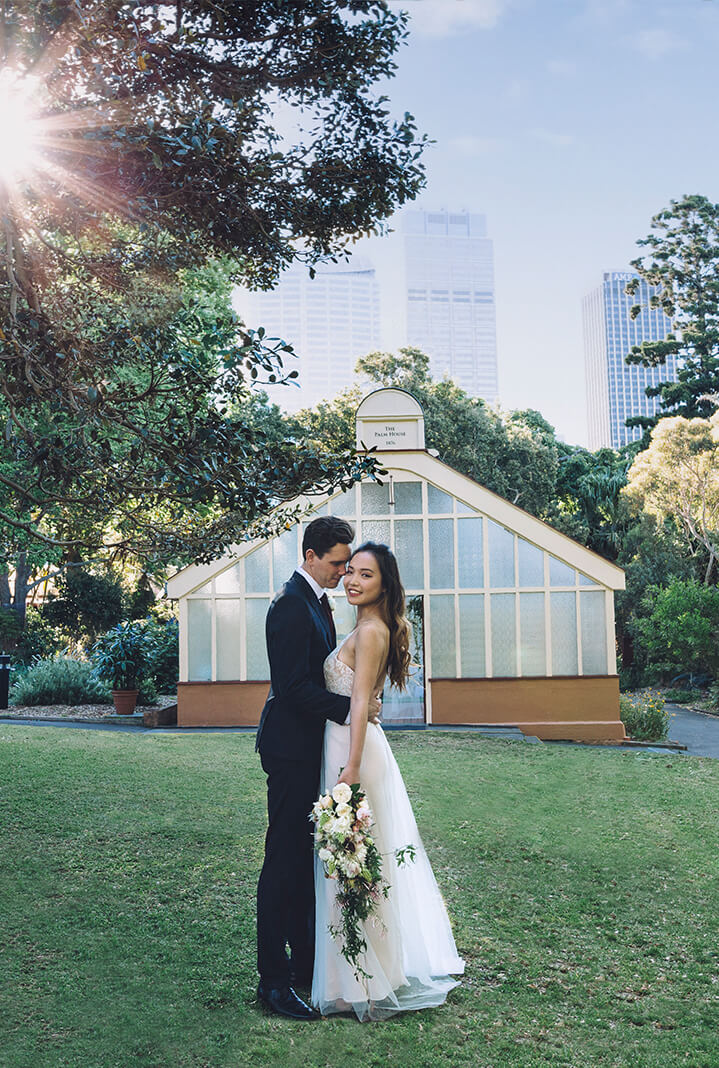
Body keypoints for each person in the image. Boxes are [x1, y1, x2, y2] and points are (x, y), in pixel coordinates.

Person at [312, 541, 465, 1022]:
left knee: (359, 867)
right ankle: (360, 976)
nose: (353, 581)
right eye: (350, 572)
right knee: (357, 865)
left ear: (385, 584)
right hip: (345, 745)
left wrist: (351, 768)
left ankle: (366, 981)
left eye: (366, 575)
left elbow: (360, 703)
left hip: (353, 751)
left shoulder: (373, 630)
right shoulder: (365, 625)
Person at [255, 516, 381, 1021]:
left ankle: (305, 965)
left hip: (313, 748)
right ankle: (272, 981)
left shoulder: (318, 602)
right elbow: (291, 689)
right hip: (289, 751)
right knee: (282, 863)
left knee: (303, 863)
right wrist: (352, 710)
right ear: (310, 556)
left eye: (348, 565)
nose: (342, 572)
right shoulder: (289, 605)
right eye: (335, 564)